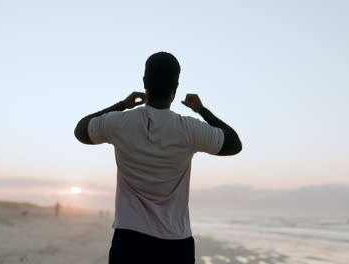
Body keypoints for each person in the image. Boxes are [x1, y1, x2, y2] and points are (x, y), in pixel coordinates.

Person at [74, 52, 242, 264]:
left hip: (129, 239)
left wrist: (122, 105)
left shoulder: (119, 123)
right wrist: (202, 110)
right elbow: (234, 144)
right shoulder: (189, 129)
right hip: (175, 243)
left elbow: (81, 130)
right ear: (176, 86)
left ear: (144, 82)